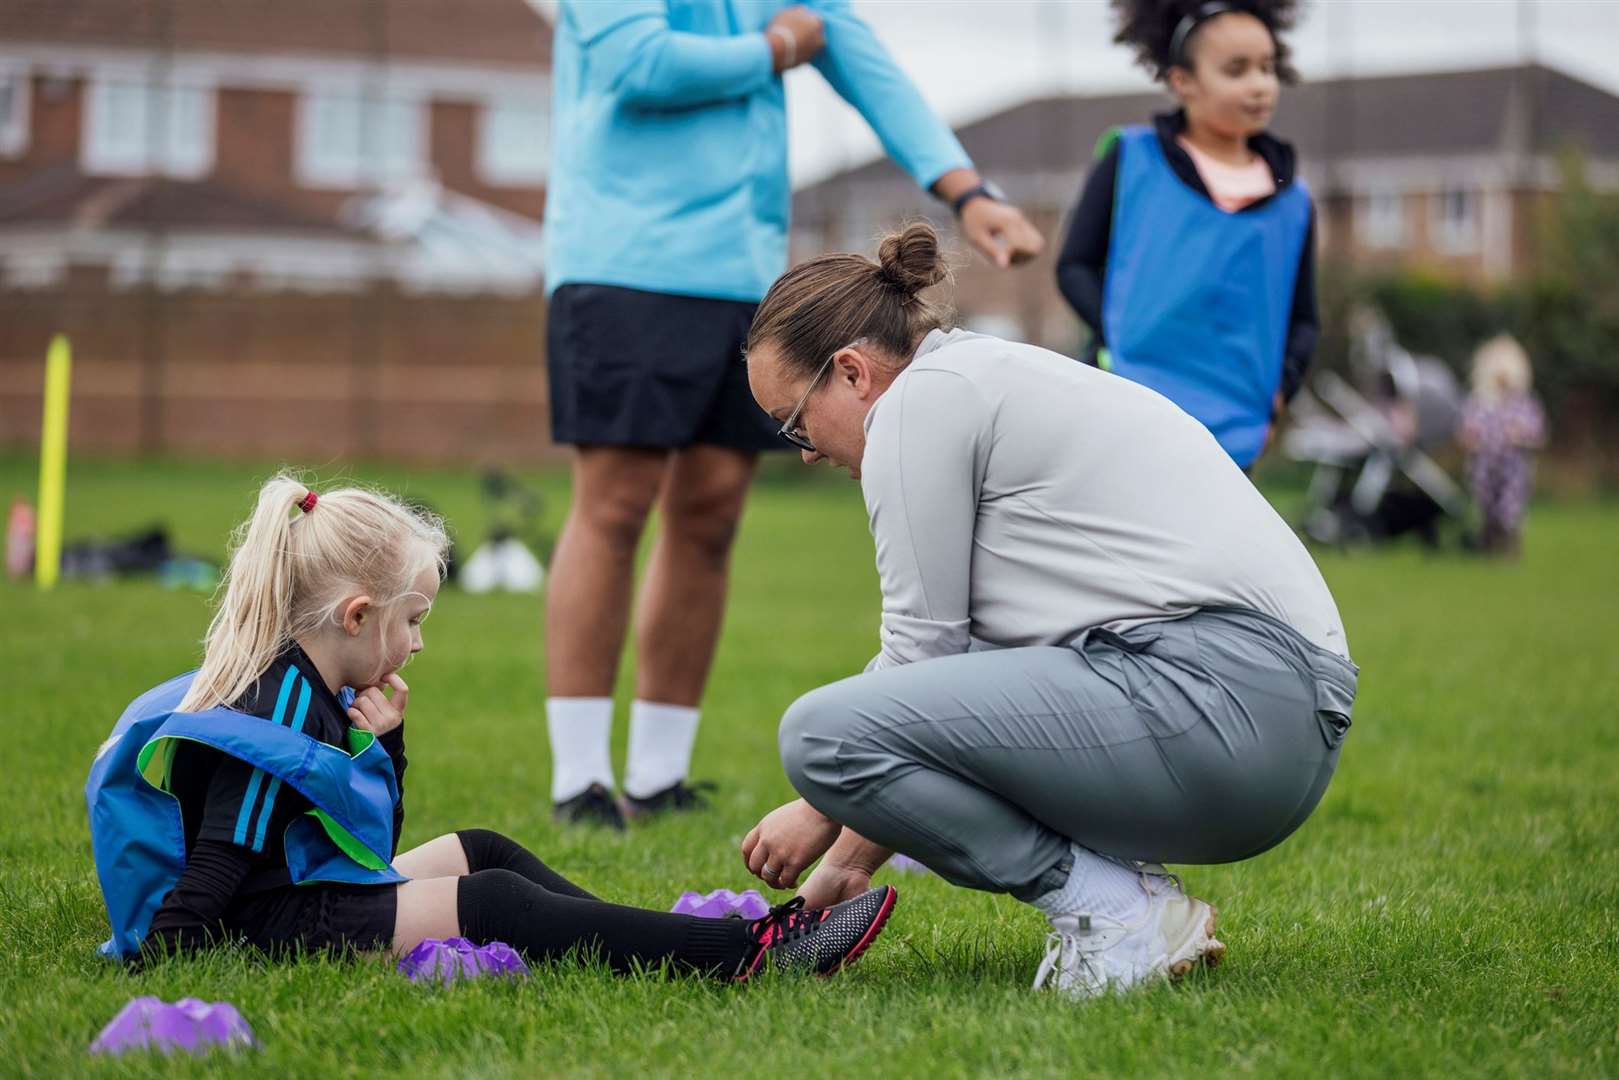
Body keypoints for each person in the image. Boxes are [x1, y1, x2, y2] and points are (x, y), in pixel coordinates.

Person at [738, 222, 1357, 999]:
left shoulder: (921, 403)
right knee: (867, 730)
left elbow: (915, 663)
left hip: (1226, 704)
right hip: (1274, 733)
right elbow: (955, 686)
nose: (803, 450)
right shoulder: (981, 376)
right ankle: (1133, 905)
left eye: (793, 421)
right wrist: (848, 865)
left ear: (852, 372)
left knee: (818, 734)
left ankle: (1114, 911)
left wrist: (818, 805)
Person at [542, 0, 1044, 827]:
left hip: (740, 274)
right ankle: (580, 780)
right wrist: (776, 47)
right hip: (620, 261)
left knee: (709, 513)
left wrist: (969, 190)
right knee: (616, 504)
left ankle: (658, 776)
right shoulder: (769, 35)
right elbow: (642, 65)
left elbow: (857, 56)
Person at [85, 475, 897, 979]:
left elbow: (365, 836)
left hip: (303, 887)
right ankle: (743, 957)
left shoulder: (302, 684)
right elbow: (229, 849)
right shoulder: (281, 707)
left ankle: (665, 944)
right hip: (278, 922)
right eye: (411, 621)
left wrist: (387, 745)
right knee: (499, 900)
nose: (417, 643)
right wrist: (174, 952)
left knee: (483, 849)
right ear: (358, 615)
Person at [1054, 0, 1316, 470]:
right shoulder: (1131, 159)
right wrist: (1120, 342)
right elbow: (1074, 265)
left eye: (1267, 67)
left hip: (1235, 426)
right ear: (1183, 82)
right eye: (1236, 70)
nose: (1259, 85)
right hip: (1128, 408)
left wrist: (1281, 388)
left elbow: (1303, 317)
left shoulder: (1293, 200)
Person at [1459, 335, 1546, 557]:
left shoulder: (1524, 403)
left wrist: (1520, 436)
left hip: (1513, 467)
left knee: (1510, 507)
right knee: (1486, 506)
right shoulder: (1480, 402)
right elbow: (1467, 430)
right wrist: (1471, 439)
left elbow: (1536, 434)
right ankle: (1489, 545)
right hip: (1484, 465)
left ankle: (1510, 549)